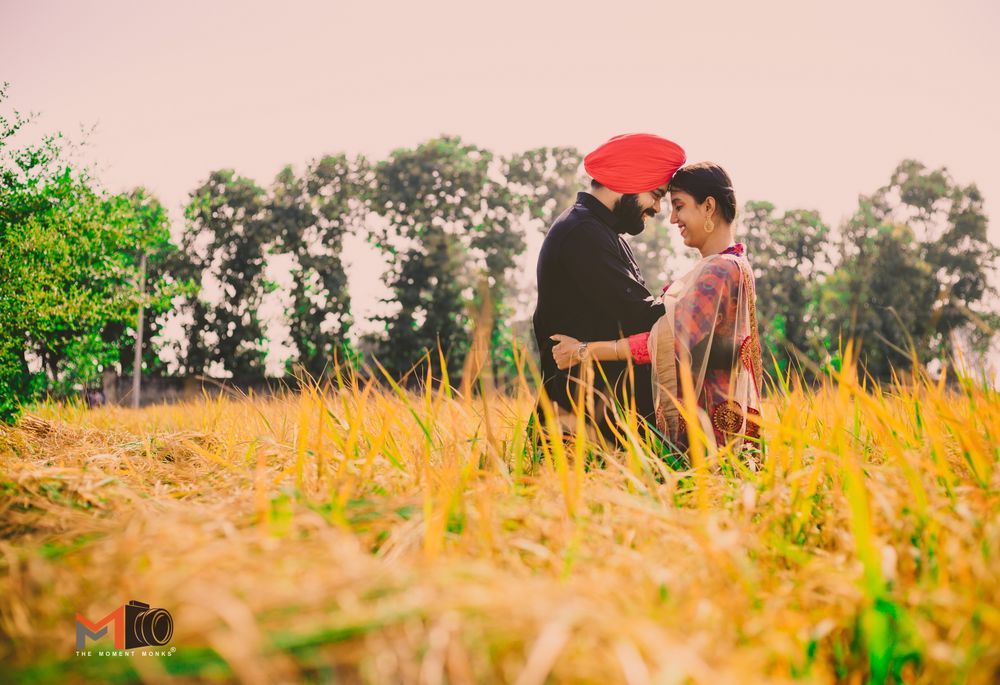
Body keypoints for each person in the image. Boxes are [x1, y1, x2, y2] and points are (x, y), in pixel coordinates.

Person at [551, 162, 763, 459]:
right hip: (723, 413)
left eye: (679, 206)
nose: (673, 218)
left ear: (709, 207)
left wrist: (585, 351)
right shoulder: (735, 264)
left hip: (709, 425)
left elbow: (668, 341)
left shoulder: (719, 271)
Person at [532, 133, 686, 439]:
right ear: (627, 180)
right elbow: (639, 315)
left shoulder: (602, 232)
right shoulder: (582, 232)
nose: (657, 208)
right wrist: (700, 294)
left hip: (603, 425)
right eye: (655, 194)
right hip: (582, 431)